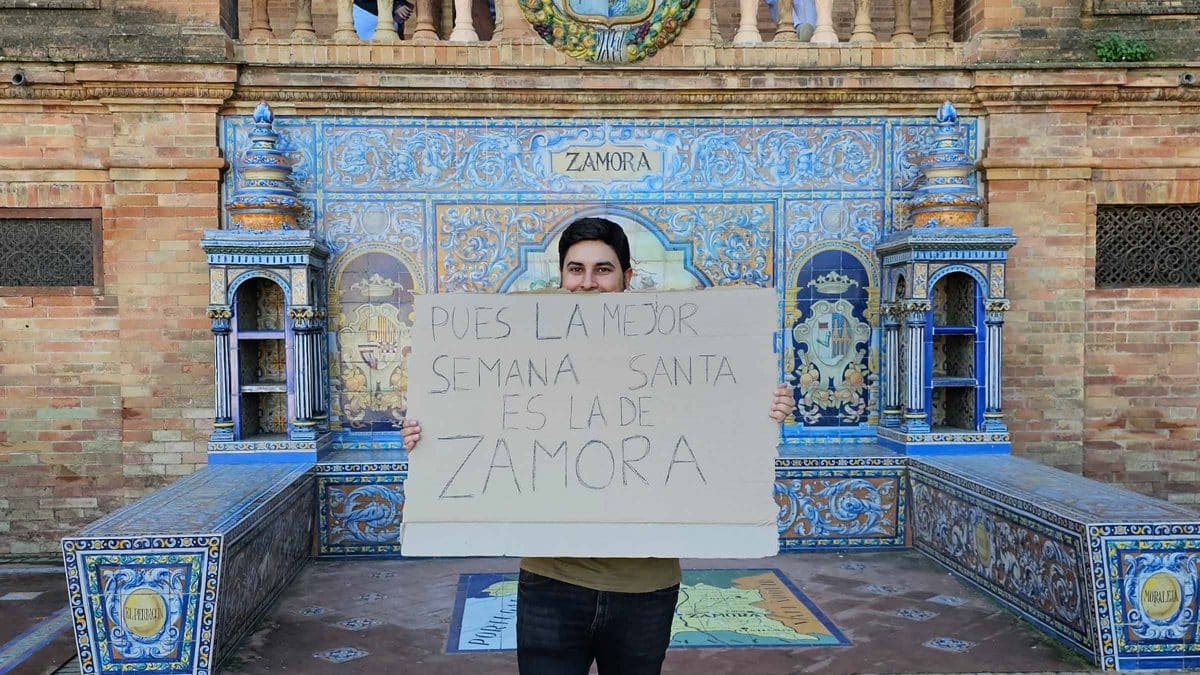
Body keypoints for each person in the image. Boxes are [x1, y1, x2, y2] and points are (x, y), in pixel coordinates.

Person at [402, 217, 795, 675]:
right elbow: (471, 415)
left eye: (603, 270)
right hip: (551, 581)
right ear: (561, 276)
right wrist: (426, 436)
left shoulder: (675, 349)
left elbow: (717, 417)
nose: (587, 283)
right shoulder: (523, 348)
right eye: (576, 269)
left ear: (628, 277)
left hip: (645, 586)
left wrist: (760, 408)